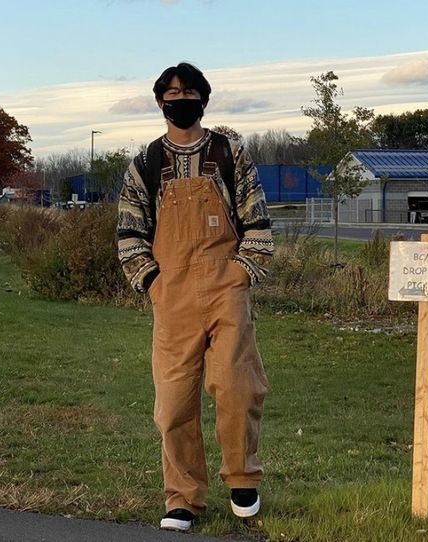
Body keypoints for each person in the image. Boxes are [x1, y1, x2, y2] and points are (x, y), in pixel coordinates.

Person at [117, 62, 274, 532]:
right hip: (173, 294)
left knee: (236, 383)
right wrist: (152, 283)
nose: (179, 98)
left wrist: (244, 272)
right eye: (171, 92)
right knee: (173, 401)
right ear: (160, 100)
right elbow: (128, 234)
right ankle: (183, 497)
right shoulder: (145, 164)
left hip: (226, 288)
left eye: (188, 91)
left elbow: (258, 222)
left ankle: (243, 477)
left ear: (203, 99)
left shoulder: (229, 153)